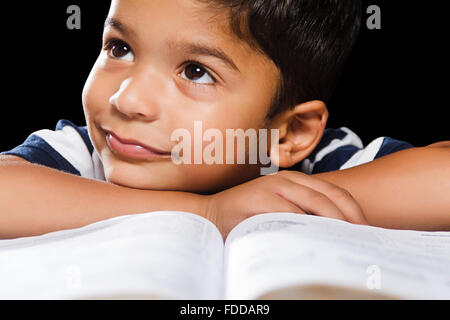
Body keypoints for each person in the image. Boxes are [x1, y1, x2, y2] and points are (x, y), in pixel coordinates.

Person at [0, 0, 448, 239]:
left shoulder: (322, 161)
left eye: (196, 71)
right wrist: (207, 212)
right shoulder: (86, 155)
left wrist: (283, 201)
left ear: (288, 135)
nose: (127, 97)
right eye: (120, 48)